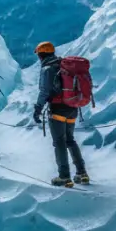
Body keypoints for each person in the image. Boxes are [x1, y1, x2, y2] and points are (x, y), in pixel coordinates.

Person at [32, 41, 90, 187]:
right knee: (70, 140)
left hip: (57, 109)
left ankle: (64, 176)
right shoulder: (63, 65)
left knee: (59, 142)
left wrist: (38, 109)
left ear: (41, 55)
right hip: (72, 107)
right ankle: (82, 173)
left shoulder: (47, 68)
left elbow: (44, 91)